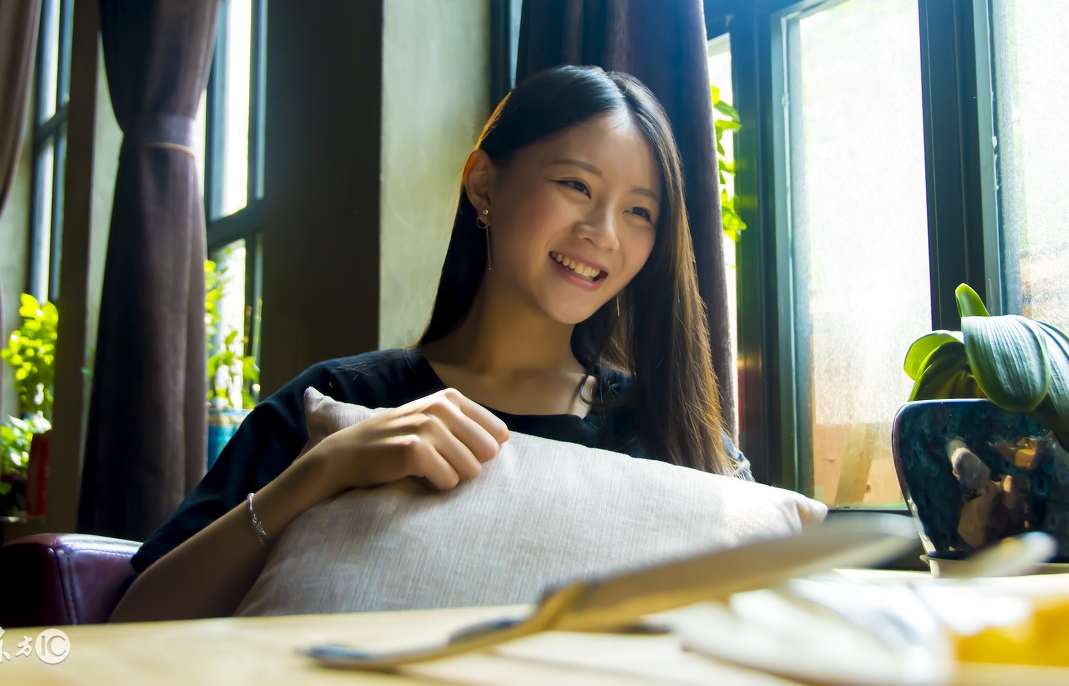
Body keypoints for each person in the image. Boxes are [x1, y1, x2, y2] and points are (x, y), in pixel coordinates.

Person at [110, 65, 749, 623]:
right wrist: (320, 472)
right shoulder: (340, 402)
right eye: (577, 186)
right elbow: (133, 621)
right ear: (483, 186)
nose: (604, 232)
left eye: (640, 211)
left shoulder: (668, 434)